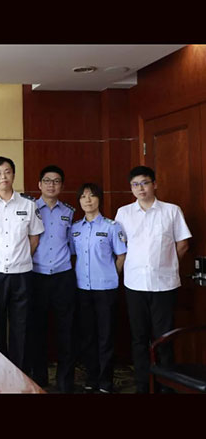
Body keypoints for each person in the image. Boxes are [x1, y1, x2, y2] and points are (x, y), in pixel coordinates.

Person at [115, 166, 191, 393]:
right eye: (135, 184)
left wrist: (167, 264)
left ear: (155, 184)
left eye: (145, 183)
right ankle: (142, 384)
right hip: (134, 284)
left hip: (164, 284)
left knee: (164, 338)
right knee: (139, 338)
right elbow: (119, 246)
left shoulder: (171, 211)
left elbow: (183, 244)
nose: (141, 188)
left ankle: (167, 386)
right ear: (131, 188)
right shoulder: (123, 213)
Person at [0, 156, 44, 370]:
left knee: (21, 325)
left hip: (22, 273)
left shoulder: (28, 204)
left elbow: (34, 237)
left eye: (7, 172)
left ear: (13, 174)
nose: (3, 177)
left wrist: (21, 257)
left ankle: (18, 372)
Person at [69, 183, 127, 394]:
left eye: (92, 196)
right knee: (87, 336)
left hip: (105, 289)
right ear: (79, 201)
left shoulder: (112, 226)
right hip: (82, 288)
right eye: (83, 197)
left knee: (106, 336)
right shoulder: (75, 228)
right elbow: (72, 255)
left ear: (99, 199)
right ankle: (91, 378)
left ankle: (105, 381)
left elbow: (121, 256)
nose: (88, 200)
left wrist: (111, 275)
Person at [27, 165, 77, 392]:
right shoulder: (29, 209)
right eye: (47, 180)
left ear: (62, 186)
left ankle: (66, 381)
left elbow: (72, 244)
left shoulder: (69, 212)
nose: (51, 185)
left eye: (56, 181)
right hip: (36, 275)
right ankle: (39, 378)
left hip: (62, 276)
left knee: (66, 329)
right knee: (36, 329)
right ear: (39, 184)